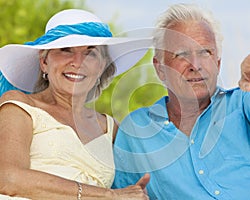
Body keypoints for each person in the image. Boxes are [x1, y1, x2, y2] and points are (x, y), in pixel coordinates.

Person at [112, 3, 250, 200]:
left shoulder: (244, 104)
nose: (196, 65)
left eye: (205, 52)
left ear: (218, 64)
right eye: (182, 54)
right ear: (160, 69)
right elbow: (124, 194)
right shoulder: (136, 130)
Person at [0, 8, 151, 199]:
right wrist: (109, 195)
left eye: (91, 53)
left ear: (101, 67)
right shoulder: (20, 106)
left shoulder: (111, 128)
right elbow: (8, 179)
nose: (78, 62)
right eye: (65, 50)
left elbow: (134, 183)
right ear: (44, 62)